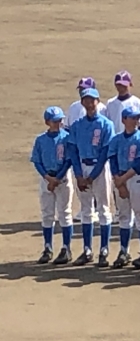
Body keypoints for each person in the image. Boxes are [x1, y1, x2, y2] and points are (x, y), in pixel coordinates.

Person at [66, 87, 115, 266]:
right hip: (82, 167)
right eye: (86, 100)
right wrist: (79, 175)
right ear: (82, 102)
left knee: (103, 208)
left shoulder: (106, 124)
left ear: (98, 101)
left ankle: (104, 249)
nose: (89, 103)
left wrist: (93, 175)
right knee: (86, 210)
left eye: (92, 100)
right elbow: (72, 150)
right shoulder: (77, 125)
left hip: (99, 168)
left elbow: (105, 152)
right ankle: (87, 249)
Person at [107, 106, 140, 269]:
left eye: (137, 118)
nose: (136, 121)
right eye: (132, 118)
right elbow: (112, 160)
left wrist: (121, 181)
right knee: (124, 216)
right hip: (120, 178)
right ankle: (124, 251)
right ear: (124, 120)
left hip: (136, 178)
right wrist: (118, 180)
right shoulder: (116, 139)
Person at [31, 106, 73, 264]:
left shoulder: (67, 137)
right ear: (47, 122)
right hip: (47, 178)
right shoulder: (40, 140)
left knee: (65, 213)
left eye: (59, 120)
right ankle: (48, 247)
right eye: (54, 121)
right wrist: (48, 178)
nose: (58, 123)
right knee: (47, 214)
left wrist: (58, 178)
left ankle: (66, 248)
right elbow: (37, 161)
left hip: (63, 178)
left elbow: (69, 160)